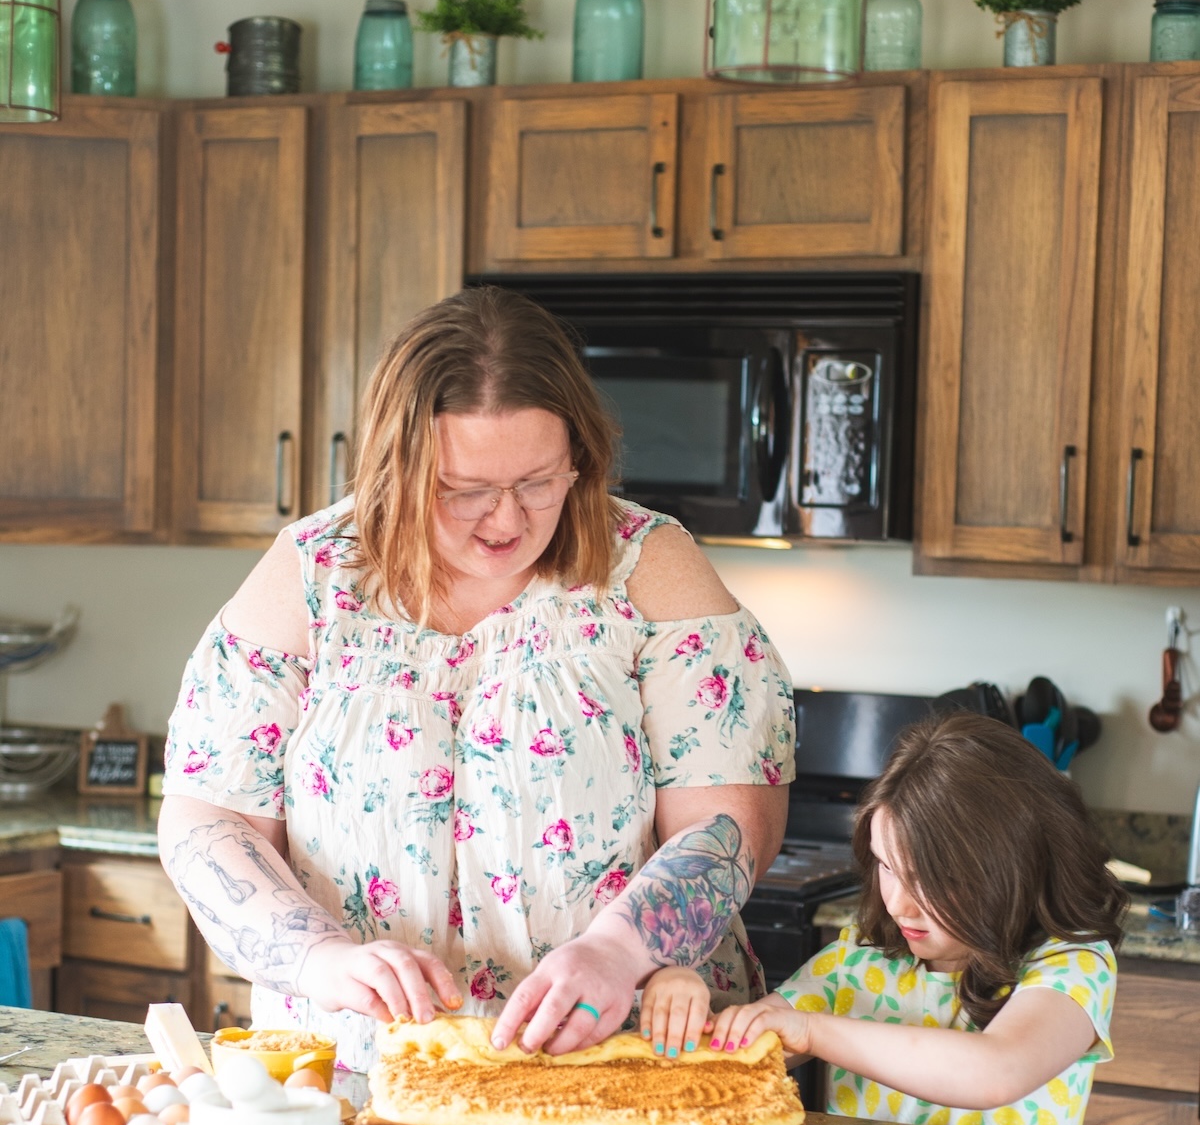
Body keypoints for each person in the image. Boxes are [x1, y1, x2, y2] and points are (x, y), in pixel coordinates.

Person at [158, 287, 795, 1070]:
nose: (504, 521)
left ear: (580, 460)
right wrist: (319, 960)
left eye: (538, 483)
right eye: (463, 491)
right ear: (398, 467)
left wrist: (618, 952)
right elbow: (206, 823)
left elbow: (732, 827)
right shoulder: (312, 576)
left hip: (622, 1057)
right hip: (361, 1067)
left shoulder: (649, 569)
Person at [640, 711, 1127, 1125]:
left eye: (935, 880)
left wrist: (811, 1030)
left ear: (1012, 869)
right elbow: (738, 1057)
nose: (898, 904)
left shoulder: (1070, 966)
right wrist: (679, 983)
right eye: (887, 867)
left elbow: (997, 1071)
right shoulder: (860, 958)